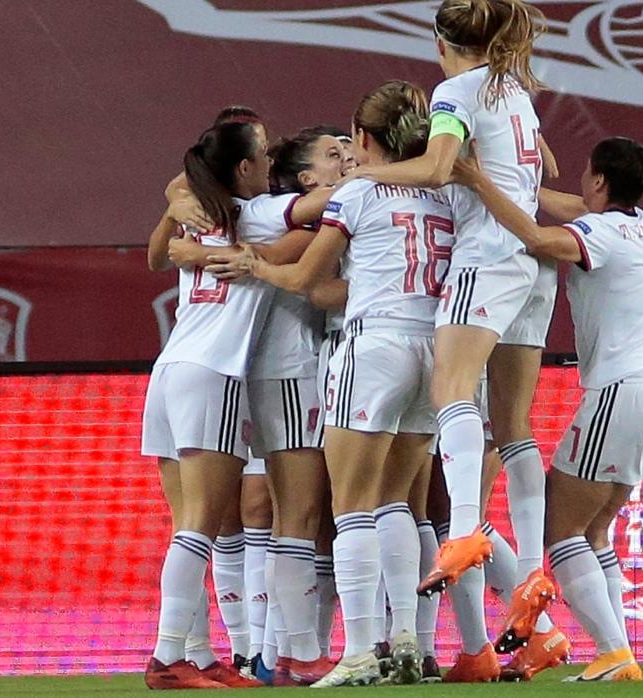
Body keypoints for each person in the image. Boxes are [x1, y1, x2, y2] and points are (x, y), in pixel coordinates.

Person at [209, 80, 453, 687]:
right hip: (436, 348)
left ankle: (360, 650)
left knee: (352, 509)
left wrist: (255, 265)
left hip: (373, 345)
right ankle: (410, 644)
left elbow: (306, 278)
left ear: (366, 138)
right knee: (400, 503)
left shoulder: (360, 193)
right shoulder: (444, 195)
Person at [345, 0, 563, 680]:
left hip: (487, 252)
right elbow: (544, 165)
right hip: (530, 264)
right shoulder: (514, 88)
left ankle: (466, 529)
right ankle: (530, 572)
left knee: (450, 391)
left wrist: (363, 172)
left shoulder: (456, 89)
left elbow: (438, 168)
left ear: (442, 42)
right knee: (515, 424)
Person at [452, 136, 643, 682]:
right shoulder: (639, 225)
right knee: (596, 531)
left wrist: (477, 179)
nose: (580, 183)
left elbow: (534, 236)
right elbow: (568, 208)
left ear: (600, 180)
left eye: (586, 174)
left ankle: (611, 650)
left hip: (618, 394)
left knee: (560, 529)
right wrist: (522, 181)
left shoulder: (599, 234)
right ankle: (619, 653)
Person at [141, 121, 281, 690]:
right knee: (201, 527)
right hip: (215, 372)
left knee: (186, 528)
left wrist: (177, 200)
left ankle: (195, 655)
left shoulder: (197, 210)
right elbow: (319, 204)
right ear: (243, 169)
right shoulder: (260, 214)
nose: (271, 166)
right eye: (264, 157)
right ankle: (166, 655)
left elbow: (159, 251)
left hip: (170, 369)